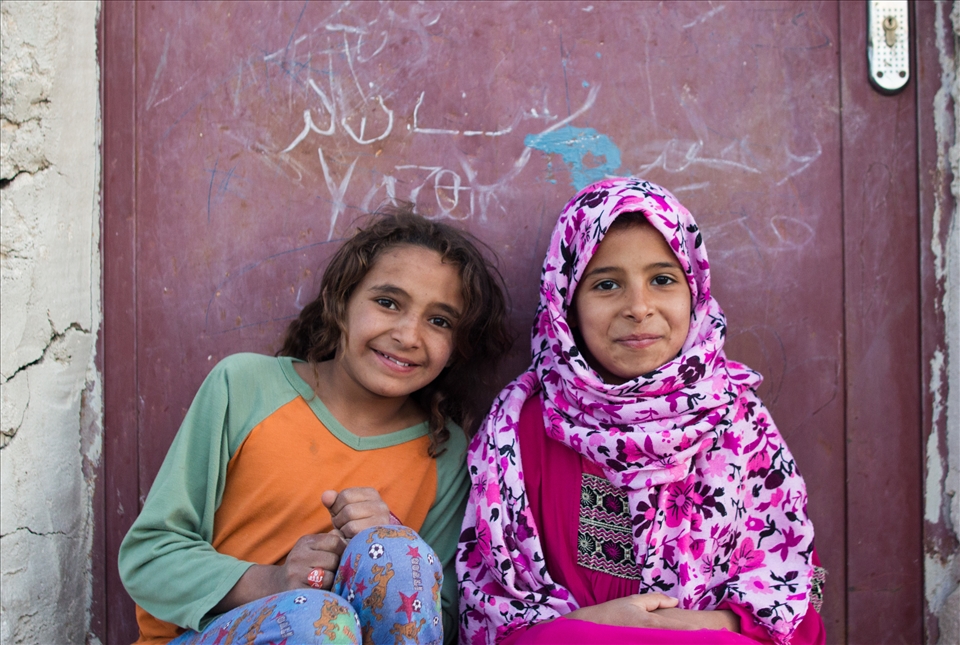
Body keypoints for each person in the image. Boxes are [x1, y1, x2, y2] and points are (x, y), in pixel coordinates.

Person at [457, 178, 826, 645]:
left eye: (663, 279)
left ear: (694, 291)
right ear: (566, 305)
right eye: (607, 284)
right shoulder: (521, 427)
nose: (638, 307)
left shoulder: (737, 420)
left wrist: (715, 624)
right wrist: (597, 628)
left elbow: (792, 596)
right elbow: (494, 610)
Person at [119, 208, 512, 645]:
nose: (408, 334)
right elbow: (149, 556)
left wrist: (386, 542)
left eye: (439, 321)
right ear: (341, 301)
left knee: (397, 554)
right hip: (205, 636)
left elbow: (443, 618)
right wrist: (272, 582)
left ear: (456, 346)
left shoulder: (445, 449)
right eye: (387, 303)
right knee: (316, 622)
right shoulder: (246, 387)